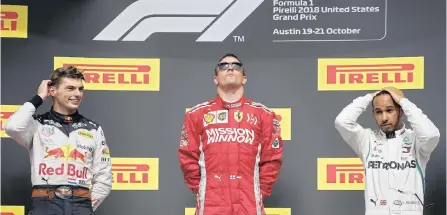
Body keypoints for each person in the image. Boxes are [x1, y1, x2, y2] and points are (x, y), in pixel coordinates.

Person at [178, 53, 284, 215]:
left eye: (236, 65)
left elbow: (272, 160)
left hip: (249, 203)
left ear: (244, 78)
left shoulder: (264, 115)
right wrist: (203, 190)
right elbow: (187, 158)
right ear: (215, 78)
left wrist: (257, 192)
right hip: (211, 203)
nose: (229, 68)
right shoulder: (196, 115)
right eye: (223, 65)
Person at [5, 66, 113, 215]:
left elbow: (104, 178)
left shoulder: (93, 129)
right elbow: (12, 127)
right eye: (70, 88)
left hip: (80, 205)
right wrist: (38, 98)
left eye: (80, 89)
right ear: (52, 91)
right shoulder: (37, 124)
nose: (77, 94)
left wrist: (86, 207)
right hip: (45, 204)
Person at [334, 86, 440, 215]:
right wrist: (370, 97)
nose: (384, 117)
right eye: (378, 112)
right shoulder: (367, 140)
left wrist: (403, 101)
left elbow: (431, 135)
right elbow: (342, 121)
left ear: (401, 111)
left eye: (389, 110)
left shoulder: (416, 141)